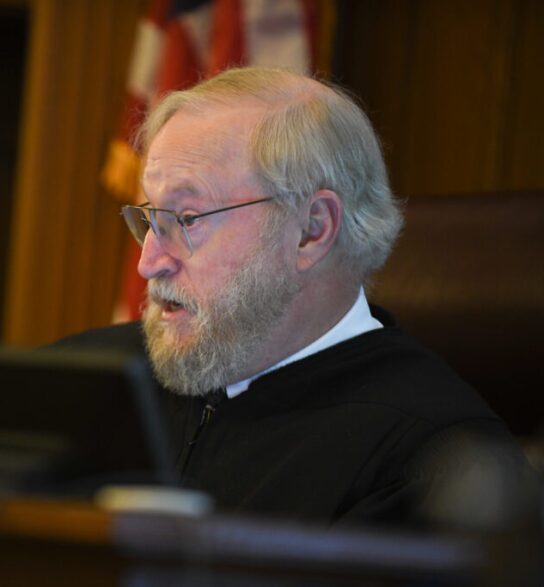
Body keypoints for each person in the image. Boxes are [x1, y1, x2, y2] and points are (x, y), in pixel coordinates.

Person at [57, 67, 536, 528]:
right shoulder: (79, 380)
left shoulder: (429, 460)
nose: (150, 261)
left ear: (311, 230)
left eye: (187, 218)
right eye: (148, 217)